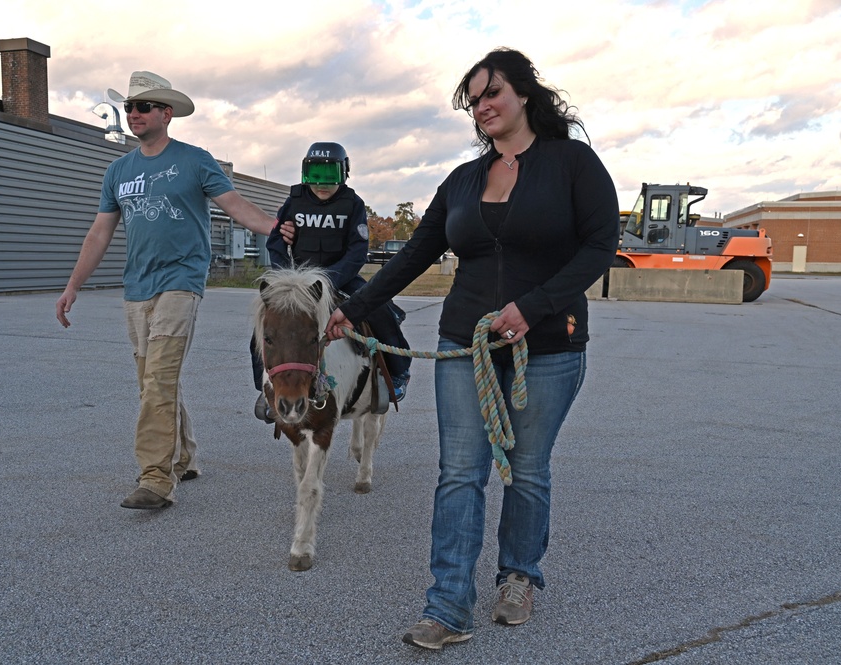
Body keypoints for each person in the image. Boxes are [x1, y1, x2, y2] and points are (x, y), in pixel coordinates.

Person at [325, 48, 620, 649]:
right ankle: (448, 605)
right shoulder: (462, 179)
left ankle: (518, 576)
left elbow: (598, 245)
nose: (483, 106)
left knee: (528, 472)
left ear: (525, 95)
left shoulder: (573, 163)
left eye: (493, 93)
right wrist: (350, 307)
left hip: (549, 345)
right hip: (466, 344)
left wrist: (533, 306)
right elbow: (412, 253)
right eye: (475, 99)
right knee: (459, 473)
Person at [55, 70, 293, 510]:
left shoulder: (194, 160)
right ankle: (184, 455)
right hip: (136, 287)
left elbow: (235, 205)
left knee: (160, 377)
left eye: (143, 107)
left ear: (166, 112)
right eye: (129, 107)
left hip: (181, 282)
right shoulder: (118, 170)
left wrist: (279, 228)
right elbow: (99, 233)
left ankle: (156, 478)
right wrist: (73, 286)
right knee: (152, 381)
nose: (133, 114)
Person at [253, 142, 411, 421]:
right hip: (300, 281)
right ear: (305, 173)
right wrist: (285, 279)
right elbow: (276, 241)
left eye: (330, 175)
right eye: (315, 174)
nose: (322, 184)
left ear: (344, 173)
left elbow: (357, 251)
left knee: (379, 308)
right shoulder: (294, 201)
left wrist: (331, 279)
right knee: (265, 331)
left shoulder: (353, 204)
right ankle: (265, 388)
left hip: (341, 277)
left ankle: (398, 372)